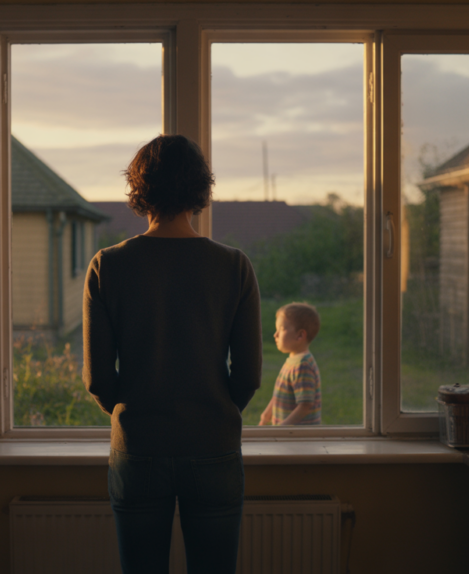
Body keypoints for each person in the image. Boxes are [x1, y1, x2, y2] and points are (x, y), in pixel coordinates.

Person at [82, 134, 263, 574]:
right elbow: (248, 375)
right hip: (214, 447)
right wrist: (213, 413)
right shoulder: (234, 266)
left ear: (139, 189)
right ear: (200, 188)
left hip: (138, 447)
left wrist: (137, 412)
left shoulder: (108, 265)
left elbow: (99, 380)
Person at [259, 302, 322, 426]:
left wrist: (283, 427)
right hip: (288, 433)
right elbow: (280, 392)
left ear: (300, 335)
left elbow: (305, 405)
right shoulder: (293, 360)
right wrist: (267, 414)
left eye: (281, 329)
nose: (275, 335)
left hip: (299, 435)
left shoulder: (303, 365)